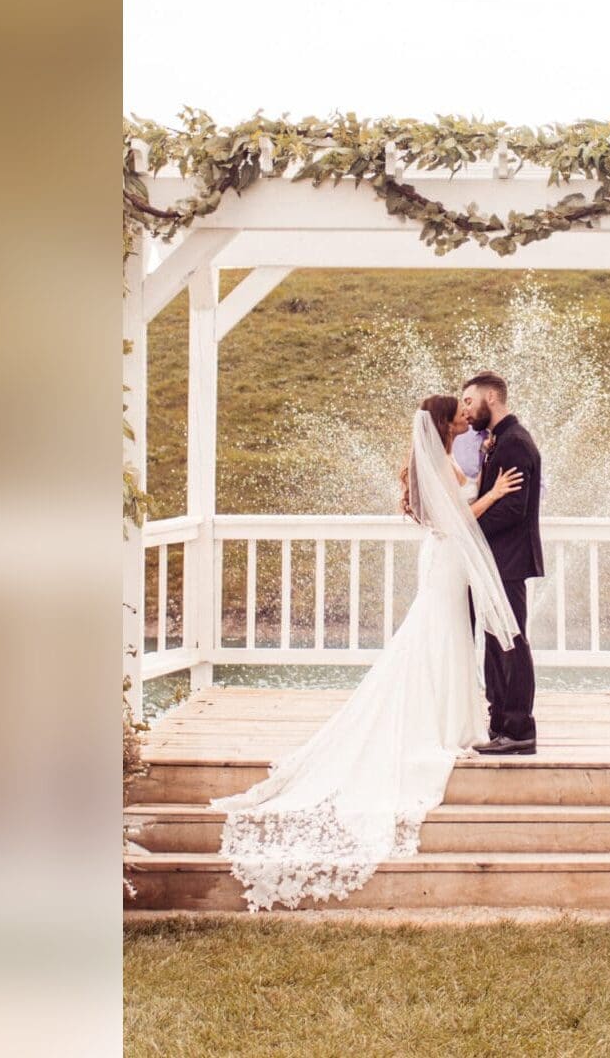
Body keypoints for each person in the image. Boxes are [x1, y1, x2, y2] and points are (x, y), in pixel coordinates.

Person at [209, 395, 525, 911]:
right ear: (446, 424)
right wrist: (493, 494)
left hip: (444, 562)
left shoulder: (441, 459)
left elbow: (450, 503)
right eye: (461, 413)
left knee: (440, 634)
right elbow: (453, 521)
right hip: (447, 557)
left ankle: (450, 717)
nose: (468, 417)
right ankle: (442, 722)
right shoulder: (439, 463)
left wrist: (486, 467)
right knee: (438, 633)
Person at [460, 371, 544, 756]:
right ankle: (500, 725)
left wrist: (468, 527)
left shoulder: (514, 443)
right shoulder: (496, 442)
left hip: (507, 562)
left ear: (491, 397)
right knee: (496, 645)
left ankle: (519, 729)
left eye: (469, 400)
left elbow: (514, 508)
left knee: (511, 643)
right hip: (493, 562)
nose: (466, 408)